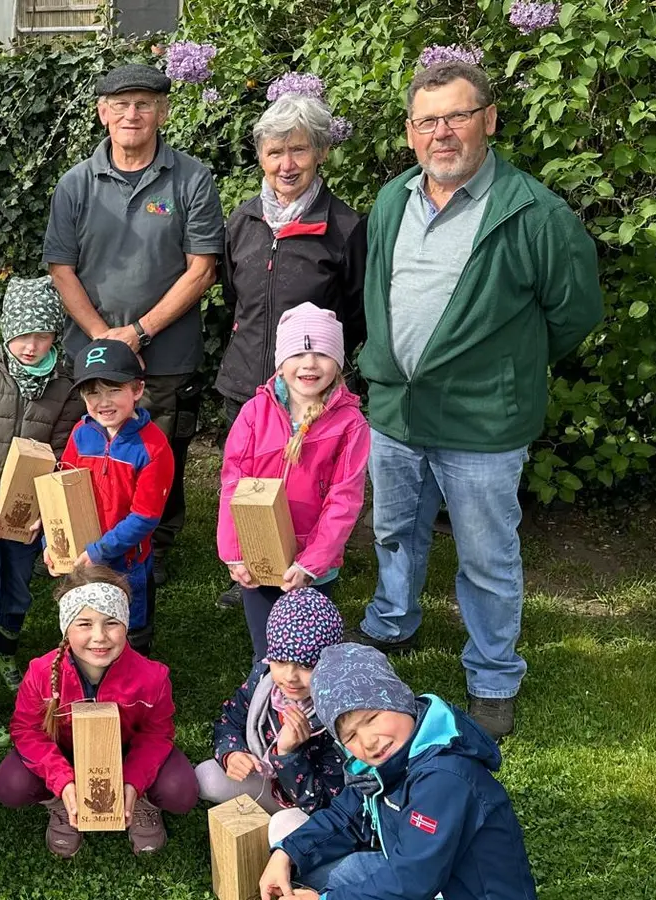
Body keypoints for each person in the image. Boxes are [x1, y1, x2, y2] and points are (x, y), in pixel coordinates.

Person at [349, 61, 603, 739]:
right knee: (393, 530)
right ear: (410, 133)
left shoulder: (533, 213)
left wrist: (507, 368)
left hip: (483, 423)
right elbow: (377, 293)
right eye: (429, 120)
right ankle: (393, 622)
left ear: (489, 120)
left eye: (459, 116)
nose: (444, 133)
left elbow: (574, 312)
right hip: (397, 414)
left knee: (487, 555)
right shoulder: (390, 202)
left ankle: (492, 674)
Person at [45, 62, 223, 586]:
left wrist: (139, 333)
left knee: (158, 447)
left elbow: (203, 269)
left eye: (144, 103)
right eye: (120, 105)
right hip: (94, 350)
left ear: (163, 112)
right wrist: (105, 337)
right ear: (102, 113)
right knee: (92, 447)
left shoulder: (191, 178)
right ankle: (89, 534)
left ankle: (155, 541)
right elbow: (62, 268)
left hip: (162, 352)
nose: (132, 114)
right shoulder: (75, 184)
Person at [212, 94, 366, 609]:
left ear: (321, 152)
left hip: (311, 393)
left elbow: (356, 311)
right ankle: (254, 571)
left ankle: (308, 579)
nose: (287, 164)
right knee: (251, 482)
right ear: (260, 156)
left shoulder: (344, 227)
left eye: (299, 150)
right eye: (275, 151)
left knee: (309, 489)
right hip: (248, 385)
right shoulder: (243, 222)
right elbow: (237, 298)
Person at [259, 643, 536, 899]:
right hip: (425, 877)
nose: (368, 741)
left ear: (397, 699)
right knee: (292, 837)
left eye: (371, 718)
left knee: (340, 877)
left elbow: (414, 882)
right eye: (351, 736)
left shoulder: (444, 777)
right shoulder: (383, 762)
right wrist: (288, 853)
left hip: (453, 891)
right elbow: (345, 815)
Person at [0, 275, 84, 746]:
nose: (30, 346)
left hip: (28, 515)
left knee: (18, 591)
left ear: (55, 336)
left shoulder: (65, 385)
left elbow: (64, 453)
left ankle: (7, 652)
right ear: (6, 334)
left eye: (41, 335)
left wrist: (46, 513)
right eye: (21, 335)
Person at [0, 568, 197, 857]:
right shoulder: (41, 672)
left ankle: (143, 805)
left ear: (127, 625)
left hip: (126, 754)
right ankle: (61, 805)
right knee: (12, 784)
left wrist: (132, 782)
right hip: (66, 755)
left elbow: (157, 734)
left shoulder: (152, 677)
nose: (99, 636)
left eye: (111, 622)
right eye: (85, 624)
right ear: (66, 627)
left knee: (180, 790)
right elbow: (26, 730)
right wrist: (62, 782)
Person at [217, 304, 369, 661]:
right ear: (280, 362)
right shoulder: (254, 413)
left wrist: (312, 563)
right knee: (267, 655)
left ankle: (310, 715)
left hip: (313, 566)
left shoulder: (350, 424)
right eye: (299, 352)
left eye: (321, 352)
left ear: (339, 361)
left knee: (307, 657)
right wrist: (235, 553)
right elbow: (233, 484)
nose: (310, 364)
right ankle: (262, 711)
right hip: (259, 557)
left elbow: (344, 500)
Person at [47, 338, 173, 652]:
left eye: (114, 389)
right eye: (93, 392)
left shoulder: (153, 448)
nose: (103, 401)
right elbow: (64, 491)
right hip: (84, 556)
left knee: (128, 627)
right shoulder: (81, 433)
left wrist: (100, 551)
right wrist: (52, 542)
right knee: (87, 622)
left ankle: (133, 684)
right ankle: (90, 687)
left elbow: (145, 517)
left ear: (137, 390)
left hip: (126, 561)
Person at [195, 588, 346, 846]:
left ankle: (284, 836)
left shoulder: (339, 717)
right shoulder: (264, 681)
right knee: (205, 776)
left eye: (306, 665)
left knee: (283, 827)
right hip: (269, 782)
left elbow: (326, 804)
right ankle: (270, 821)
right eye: (279, 660)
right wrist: (233, 753)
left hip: (311, 807)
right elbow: (229, 719)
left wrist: (288, 754)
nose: (289, 676)